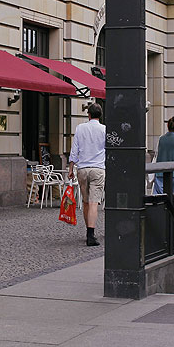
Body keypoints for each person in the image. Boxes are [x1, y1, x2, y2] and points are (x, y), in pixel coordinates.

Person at [67, 103, 106, 246]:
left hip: (82, 169)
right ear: (100, 115)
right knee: (93, 202)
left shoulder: (80, 128)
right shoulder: (104, 130)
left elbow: (74, 149)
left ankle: (88, 231)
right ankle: (91, 234)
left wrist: (71, 168)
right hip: (98, 169)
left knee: (85, 202)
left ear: (88, 114)